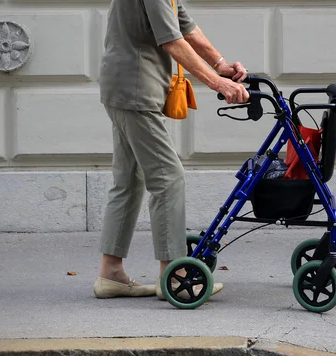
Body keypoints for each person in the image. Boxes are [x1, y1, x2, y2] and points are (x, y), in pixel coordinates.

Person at [92, 0, 249, 300]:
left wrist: (221, 64)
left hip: (123, 87)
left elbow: (184, 25)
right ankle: (174, 277)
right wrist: (219, 84)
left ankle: (110, 273)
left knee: (128, 180)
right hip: (136, 90)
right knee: (168, 178)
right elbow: (172, 40)